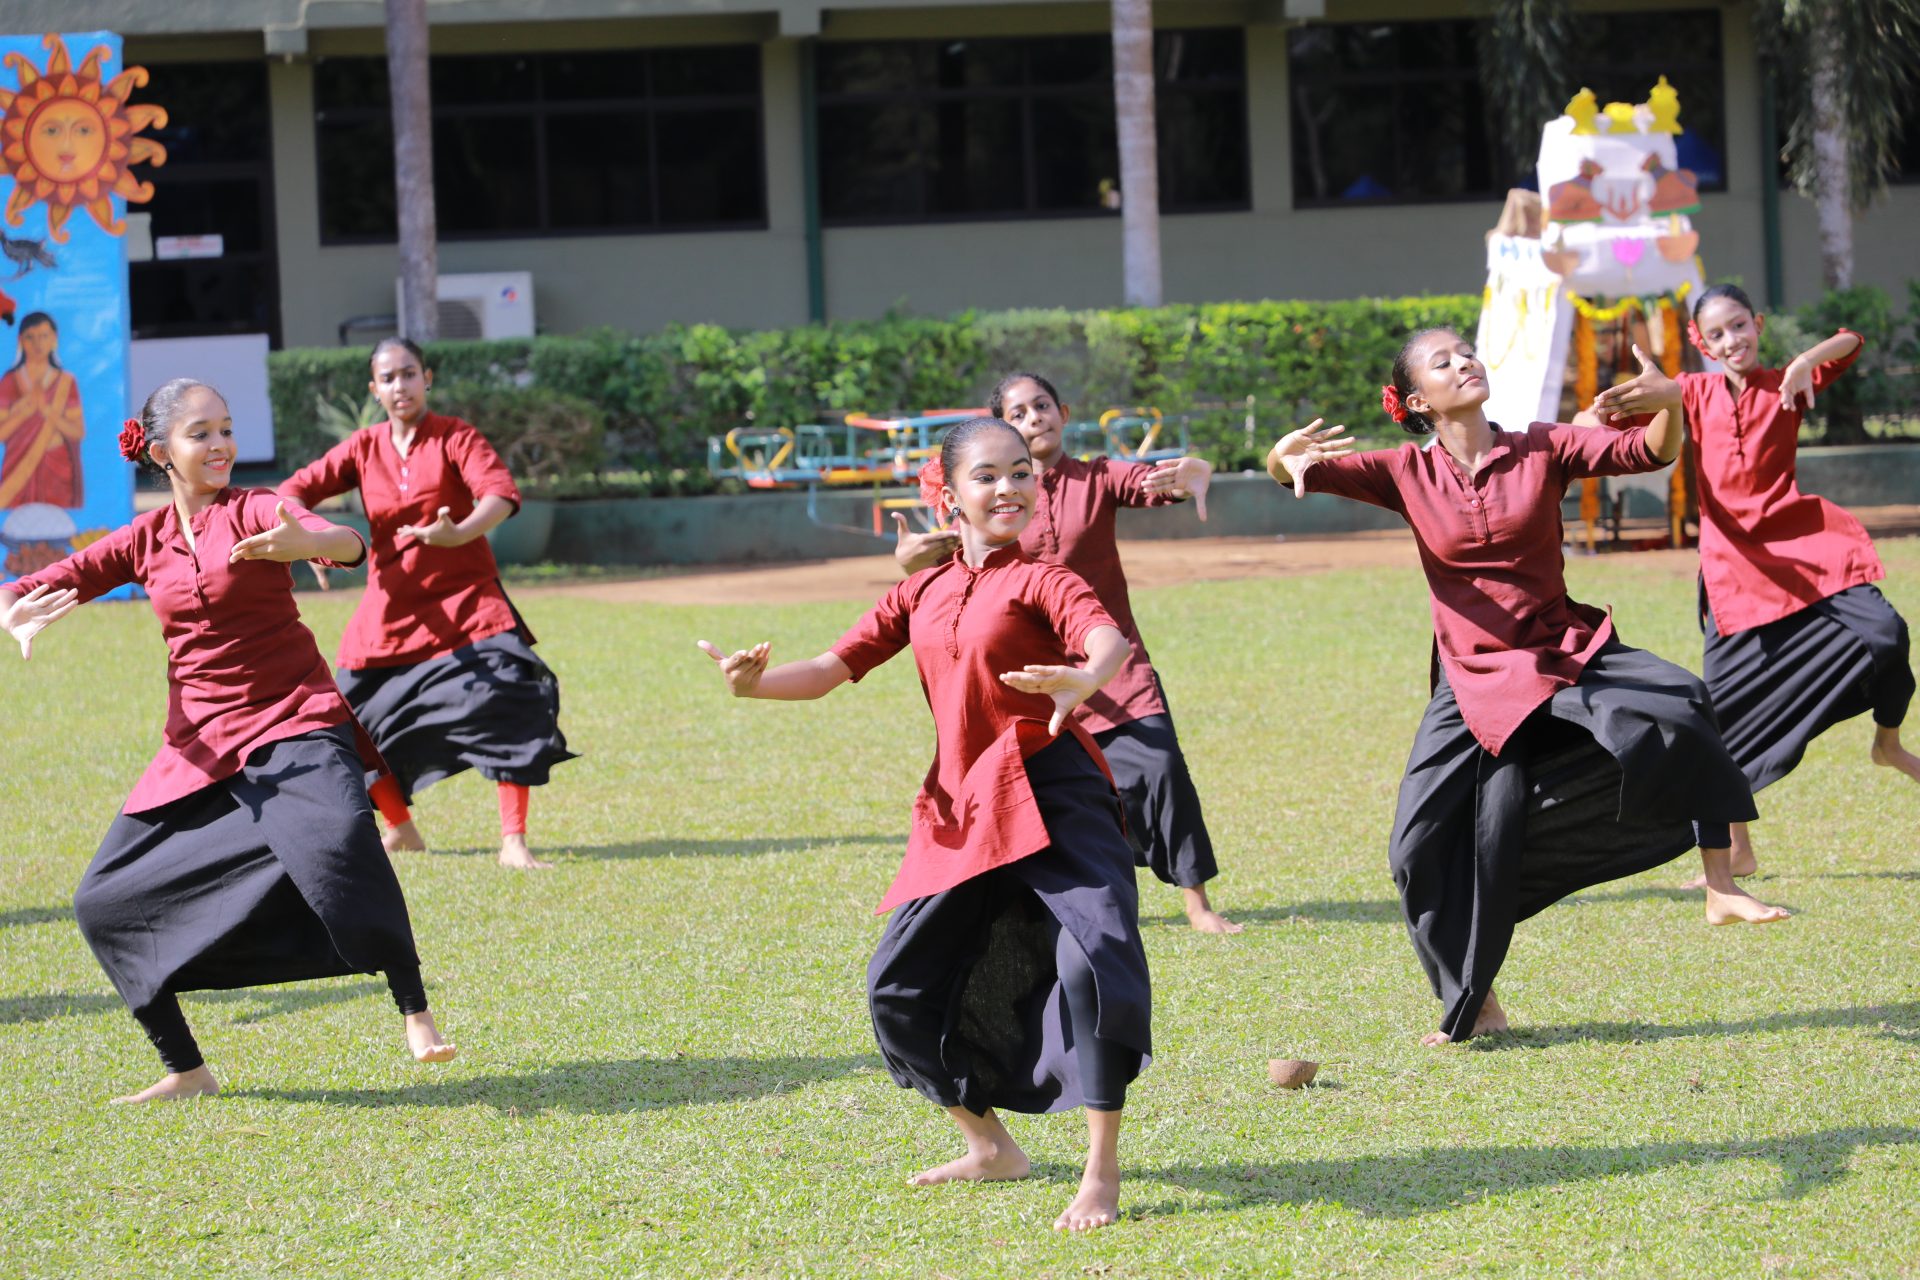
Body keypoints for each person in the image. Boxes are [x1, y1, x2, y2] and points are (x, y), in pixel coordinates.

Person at [1266, 329, 1785, 1046]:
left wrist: (1670, 403)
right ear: (1418, 400)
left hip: (1560, 650)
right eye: (1442, 362)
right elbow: (1295, 471)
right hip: (1471, 677)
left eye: (1466, 352)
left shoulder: (1543, 445)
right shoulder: (1401, 472)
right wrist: (1278, 457)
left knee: (1678, 699)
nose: (1463, 362)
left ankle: (1722, 888)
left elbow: (1648, 452)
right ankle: (1476, 1003)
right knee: (1414, 851)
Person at [701, 416, 1149, 1232]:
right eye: (986, 476)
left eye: (1021, 472)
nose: (1008, 487)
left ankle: (1100, 1171)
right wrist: (751, 686)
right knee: (897, 988)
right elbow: (833, 669)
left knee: (1094, 962)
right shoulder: (922, 590)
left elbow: (1106, 636)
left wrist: (1084, 677)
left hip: (1055, 788)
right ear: (945, 493)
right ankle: (990, 1146)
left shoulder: (1042, 578)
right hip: (965, 804)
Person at [0, 378, 455, 1103]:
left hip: (295, 715)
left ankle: (415, 1011)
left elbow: (347, 542)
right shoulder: (144, 541)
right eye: (201, 434)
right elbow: (40, 583)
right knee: (102, 900)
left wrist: (316, 540)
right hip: (199, 742)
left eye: (226, 430)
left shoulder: (256, 508)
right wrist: (13, 612)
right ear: (160, 453)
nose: (220, 446)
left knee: (340, 840)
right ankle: (187, 1068)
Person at [1595, 284, 1916, 881]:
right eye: (1716, 334)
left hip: (1804, 548)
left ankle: (1889, 745)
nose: (1731, 340)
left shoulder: (1788, 386)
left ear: (1758, 324)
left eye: (1740, 326)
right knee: (1719, 715)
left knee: (1887, 636)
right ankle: (1735, 851)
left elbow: (1851, 342)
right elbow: (1617, 415)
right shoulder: (1691, 391)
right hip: (1731, 569)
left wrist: (1802, 363)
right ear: (1700, 343)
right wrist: (1605, 411)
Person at [895, 374, 1236, 934]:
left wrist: (1191, 475)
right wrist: (913, 559)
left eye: (1043, 405)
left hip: (1112, 667)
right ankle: (1039, 900)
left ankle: (1196, 902)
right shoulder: (987, 500)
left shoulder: (1098, 478)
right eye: (1019, 411)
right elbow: (942, 568)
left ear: (1064, 411)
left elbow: (1154, 482)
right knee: (1042, 793)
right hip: (1025, 680)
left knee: (1160, 767)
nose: (1035, 418)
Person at [279, 338, 574, 871]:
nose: (400, 386)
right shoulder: (363, 447)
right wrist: (313, 540)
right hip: (392, 606)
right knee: (342, 716)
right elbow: (292, 493)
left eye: (409, 374)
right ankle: (402, 830)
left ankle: (513, 842)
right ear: (374, 389)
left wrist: (460, 532)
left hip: (469, 600)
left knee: (507, 692)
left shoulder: (456, 436)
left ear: (427, 378)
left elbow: (499, 494)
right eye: (388, 378)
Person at [0, 312, 84, 509]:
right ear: (21, 340)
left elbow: (77, 432)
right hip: (18, 466)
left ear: (54, 339)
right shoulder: (10, 381)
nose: (38, 343)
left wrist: (47, 411)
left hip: (56, 466)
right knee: (18, 532)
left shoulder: (65, 382)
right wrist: (24, 412)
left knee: (55, 531)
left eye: (44, 336)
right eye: (30, 337)